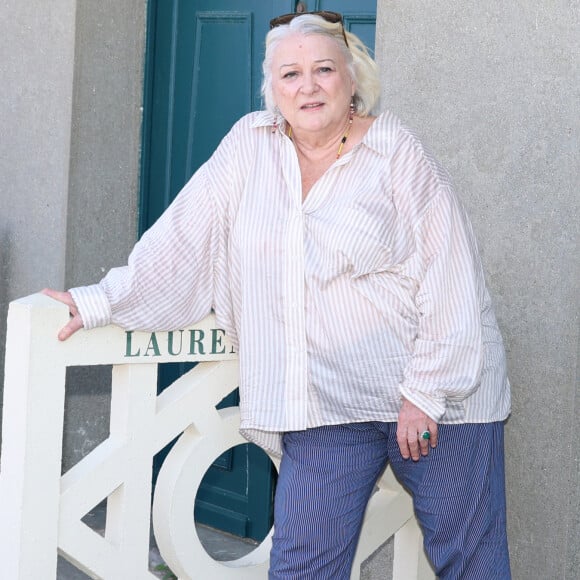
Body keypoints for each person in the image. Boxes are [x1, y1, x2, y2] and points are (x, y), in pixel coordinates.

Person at [43, 11, 512, 580]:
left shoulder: (397, 154)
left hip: (436, 398)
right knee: (302, 563)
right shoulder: (250, 144)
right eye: (290, 75)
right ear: (273, 89)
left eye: (323, 70)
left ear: (353, 78)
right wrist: (99, 302)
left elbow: (451, 276)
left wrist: (427, 391)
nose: (307, 86)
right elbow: (183, 236)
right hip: (321, 403)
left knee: (469, 560)